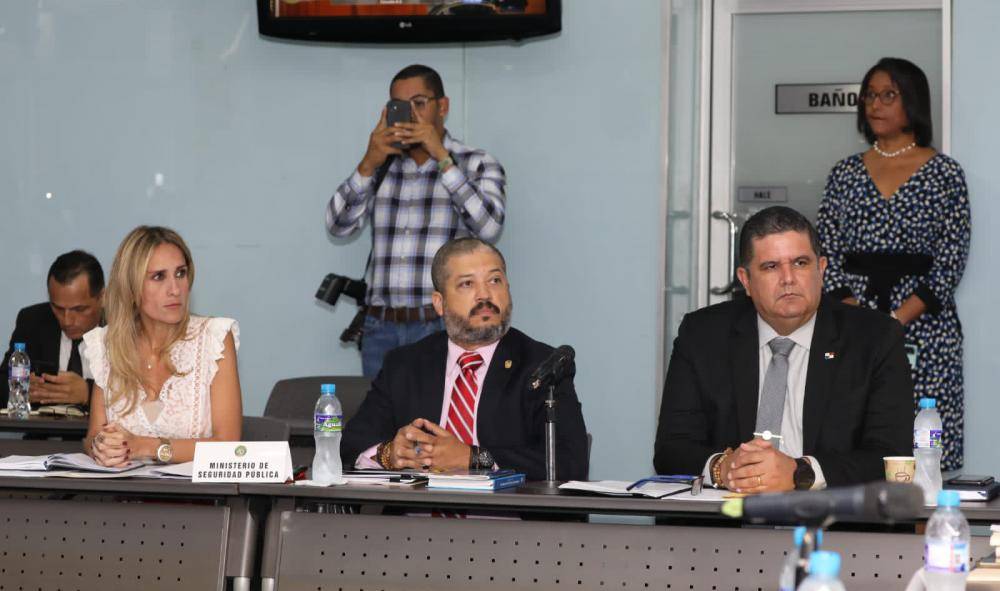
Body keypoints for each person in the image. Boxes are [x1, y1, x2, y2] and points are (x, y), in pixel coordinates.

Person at [654, 206, 912, 492]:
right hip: (728, 515)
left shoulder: (874, 338)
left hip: (831, 516)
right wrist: (723, 468)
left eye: (800, 263)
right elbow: (671, 449)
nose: (788, 278)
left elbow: (891, 455)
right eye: (771, 267)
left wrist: (801, 473)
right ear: (745, 280)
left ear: (821, 269)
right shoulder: (703, 335)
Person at [817, 57, 971, 470]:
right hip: (853, 325)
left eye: (888, 95)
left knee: (924, 452)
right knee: (853, 443)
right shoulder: (844, 173)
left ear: (912, 101)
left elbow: (951, 258)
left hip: (925, 328)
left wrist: (896, 321)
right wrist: (860, 319)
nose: (875, 104)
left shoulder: (944, 173)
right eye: (870, 95)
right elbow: (825, 251)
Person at [341, 237, 588, 481]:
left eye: (495, 280)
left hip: (503, 507)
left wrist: (475, 458)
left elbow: (570, 461)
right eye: (467, 284)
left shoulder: (542, 366)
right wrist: (390, 454)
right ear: (439, 303)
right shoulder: (405, 364)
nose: (485, 295)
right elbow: (351, 444)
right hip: (419, 506)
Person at [327, 64, 507, 378]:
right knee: (380, 411)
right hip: (380, 327)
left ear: (443, 107)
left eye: (419, 104)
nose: (410, 116)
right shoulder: (381, 164)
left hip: (442, 325)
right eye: (399, 106)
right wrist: (368, 163)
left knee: (443, 409)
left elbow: (489, 228)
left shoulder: (476, 163)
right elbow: (337, 226)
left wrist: (443, 159)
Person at [83, 226, 242, 466]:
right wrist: (101, 447)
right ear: (131, 287)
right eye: (159, 277)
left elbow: (229, 446)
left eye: (181, 273)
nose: (175, 290)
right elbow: (93, 436)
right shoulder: (107, 344)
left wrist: (145, 447)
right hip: (124, 488)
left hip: (200, 489)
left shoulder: (214, 338)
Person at [1, 250, 104, 408]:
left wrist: (88, 393)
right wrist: (20, 389)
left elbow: (138, 392)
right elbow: (2, 384)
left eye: (79, 309)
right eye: (58, 308)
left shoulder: (124, 327)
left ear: (102, 297)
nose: (67, 320)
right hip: (43, 425)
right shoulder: (33, 321)